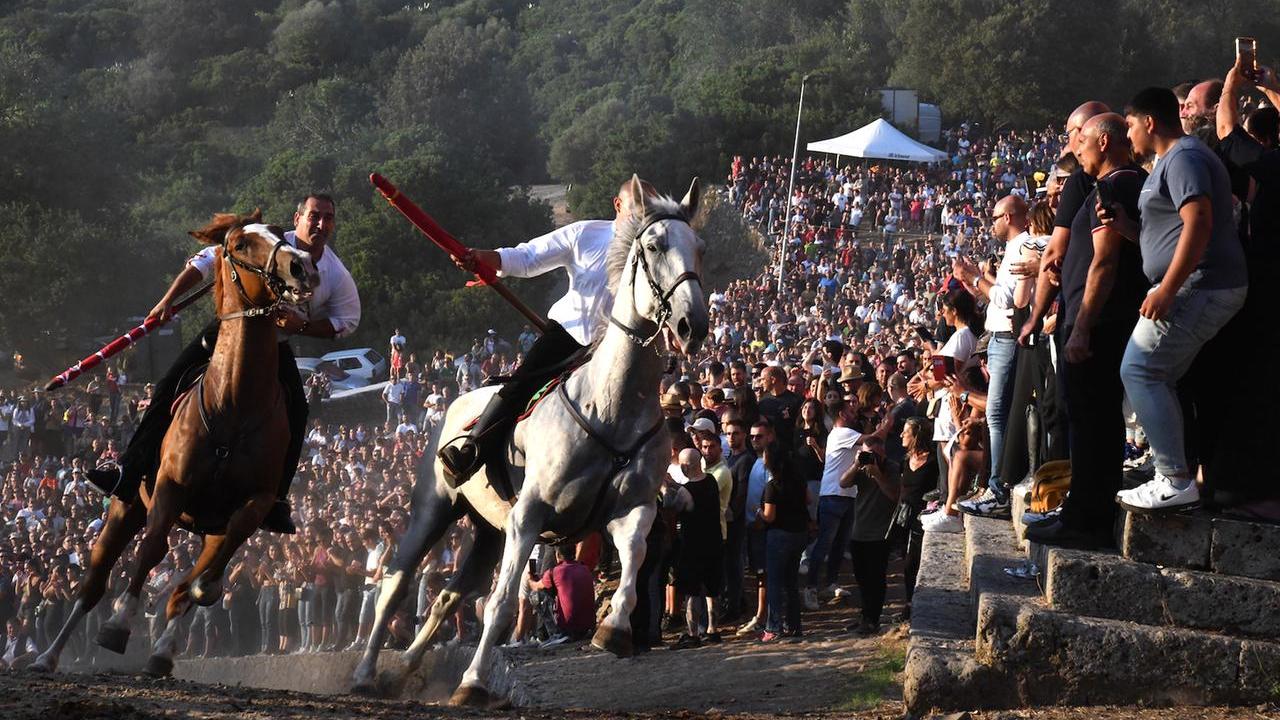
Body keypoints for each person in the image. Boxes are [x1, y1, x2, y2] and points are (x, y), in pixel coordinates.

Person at [86, 194, 361, 533]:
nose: (321, 223)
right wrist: (167, 301)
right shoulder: (267, 240)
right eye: (314, 216)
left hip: (275, 347)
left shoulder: (336, 274)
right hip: (228, 334)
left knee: (298, 412)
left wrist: (300, 326)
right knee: (167, 385)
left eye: (328, 218)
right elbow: (203, 263)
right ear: (298, 217)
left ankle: (276, 499)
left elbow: (344, 322)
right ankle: (127, 471)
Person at [438, 178, 658, 493]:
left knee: (646, 414)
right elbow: (528, 257)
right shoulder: (587, 234)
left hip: (617, 351)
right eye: (637, 203)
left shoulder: (657, 250)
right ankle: (472, 451)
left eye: (649, 206)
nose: (643, 212)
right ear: (618, 205)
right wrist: (483, 257)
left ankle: (652, 487)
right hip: (569, 337)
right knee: (521, 385)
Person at [1111, 87, 1247, 513]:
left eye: (1130, 124)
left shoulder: (1184, 157)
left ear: (1149, 122)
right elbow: (1172, 230)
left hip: (1200, 284)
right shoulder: (1175, 160)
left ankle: (1174, 478)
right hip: (1197, 282)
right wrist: (1129, 231)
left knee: (1140, 369)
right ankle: (1172, 473)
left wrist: (1167, 289)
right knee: (1158, 376)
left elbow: (1199, 220)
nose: (1128, 134)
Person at [1028, 113, 1147, 549]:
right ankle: (1083, 512)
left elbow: (1105, 261)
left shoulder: (1116, 186)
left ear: (1105, 142)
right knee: (1091, 420)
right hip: (1097, 320)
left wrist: (1082, 327)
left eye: (1083, 141)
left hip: (1098, 323)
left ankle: (1086, 519)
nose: (1076, 148)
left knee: (1091, 421)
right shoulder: (1120, 184)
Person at [953, 194, 1032, 518]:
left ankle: (998, 488)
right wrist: (974, 280)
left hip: (1007, 338)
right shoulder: (1014, 247)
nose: (992, 222)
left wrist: (973, 276)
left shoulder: (1024, 245)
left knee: (997, 415)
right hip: (1000, 337)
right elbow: (996, 296)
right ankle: (995, 485)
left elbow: (1006, 298)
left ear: (1010, 216)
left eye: (996, 216)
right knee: (998, 416)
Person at [803, 396, 860, 610]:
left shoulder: (841, 434)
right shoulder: (843, 433)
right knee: (824, 544)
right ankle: (810, 588)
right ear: (842, 414)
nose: (855, 413)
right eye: (851, 411)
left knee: (839, 543)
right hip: (833, 496)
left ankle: (830, 583)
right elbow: (871, 440)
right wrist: (887, 423)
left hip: (847, 495)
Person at [669, 447, 724, 648]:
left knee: (692, 591)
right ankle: (713, 630)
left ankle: (692, 634)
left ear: (685, 466)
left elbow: (674, 506)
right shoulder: (711, 481)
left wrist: (667, 488)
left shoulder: (686, 491)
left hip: (693, 546)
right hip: (714, 542)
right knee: (712, 588)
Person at [759, 437, 810, 642]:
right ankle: (794, 625)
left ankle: (773, 627)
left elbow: (769, 516)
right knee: (791, 582)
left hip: (779, 535)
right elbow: (809, 499)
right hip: (799, 533)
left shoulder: (773, 485)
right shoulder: (798, 479)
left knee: (774, 582)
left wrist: (758, 512)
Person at [526, 544, 595, 642]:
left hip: (568, 629)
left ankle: (551, 633)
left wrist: (530, 579)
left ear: (557, 555)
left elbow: (534, 586)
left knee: (535, 595)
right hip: (588, 627)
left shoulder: (554, 572)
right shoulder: (585, 568)